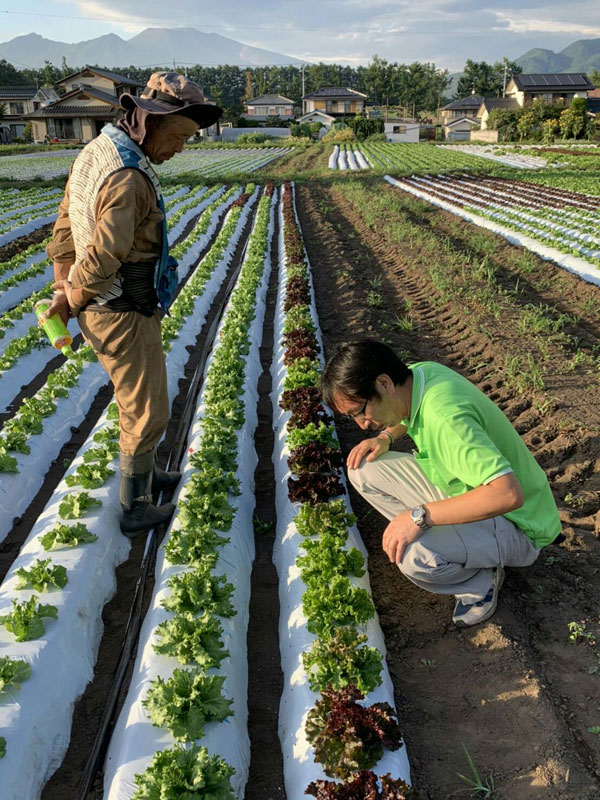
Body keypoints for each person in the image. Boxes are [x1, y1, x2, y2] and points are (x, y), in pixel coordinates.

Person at [44, 72, 222, 536]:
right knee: (148, 409)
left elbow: (66, 221)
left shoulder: (98, 152)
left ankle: (147, 474)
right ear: (151, 121)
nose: (181, 148)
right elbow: (104, 255)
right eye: (180, 136)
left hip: (110, 306)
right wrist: (71, 299)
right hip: (119, 308)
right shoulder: (128, 176)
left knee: (138, 399)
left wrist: (64, 282)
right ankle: (136, 505)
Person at [320, 340, 562, 627]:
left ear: (384, 383)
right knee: (363, 467)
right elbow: (406, 414)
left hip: (519, 526)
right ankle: (458, 544)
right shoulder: (420, 376)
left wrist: (419, 517)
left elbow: (508, 495)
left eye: (360, 411)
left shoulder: (446, 420)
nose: (361, 424)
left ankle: (480, 581)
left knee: (414, 557)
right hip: (472, 493)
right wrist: (385, 437)